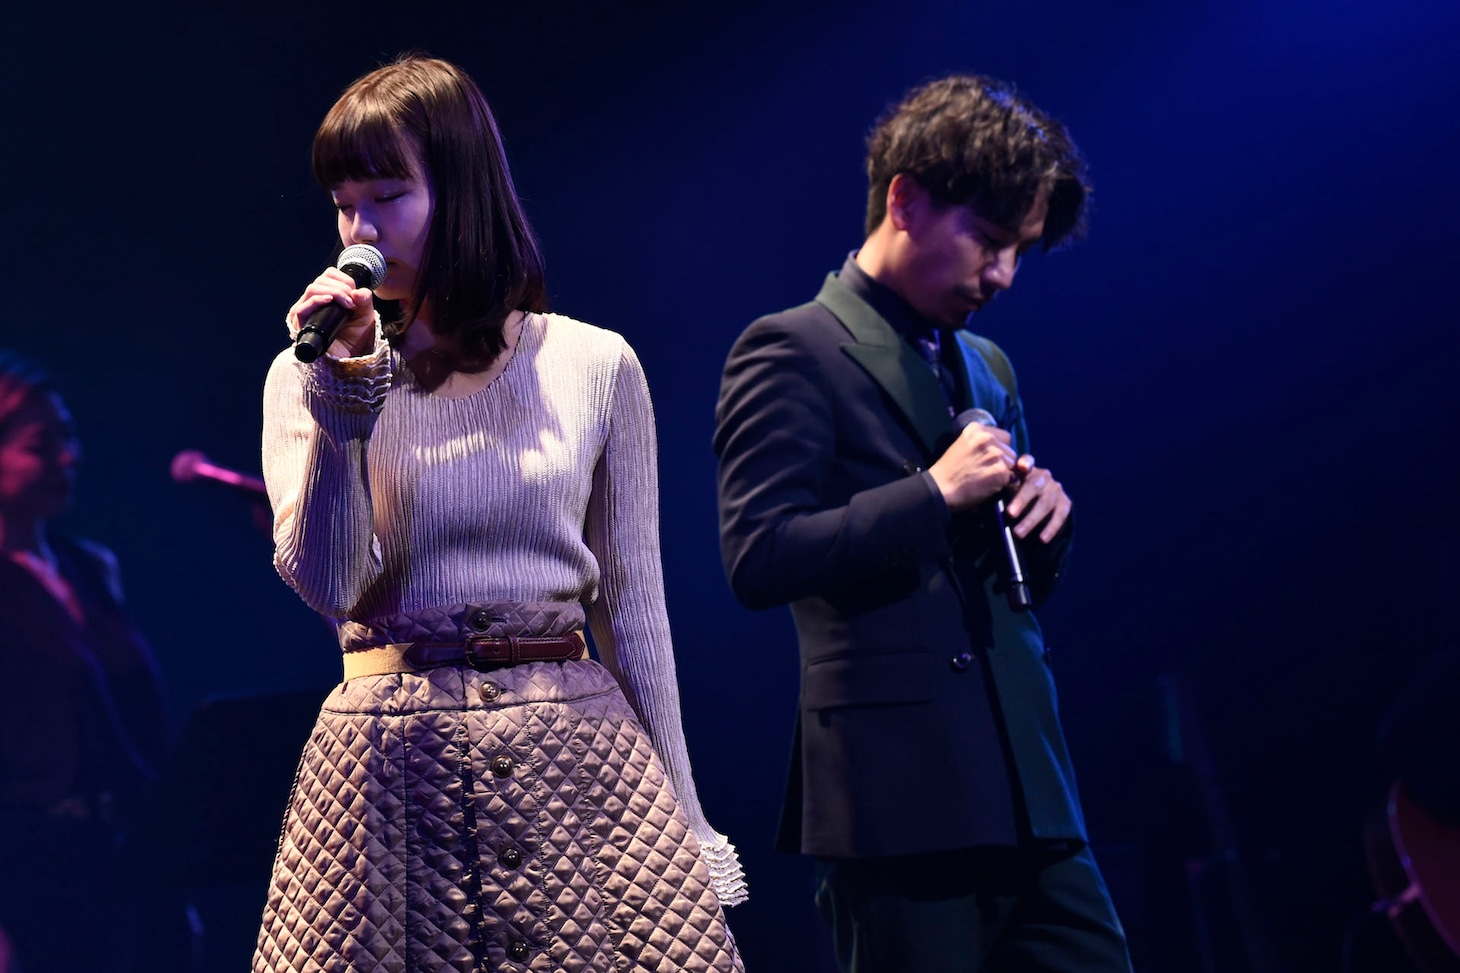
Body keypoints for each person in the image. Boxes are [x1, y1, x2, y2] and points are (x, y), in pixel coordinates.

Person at [256, 55, 745, 972]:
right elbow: (333, 584)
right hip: (390, 775)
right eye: (343, 202)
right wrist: (345, 400)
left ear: (463, 189)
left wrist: (686, 822)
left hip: (578, 763)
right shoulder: (306, 374)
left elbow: (634, 612)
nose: (359, 230)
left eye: (389, 195)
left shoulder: (594, 365)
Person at [713, 75, 1131, 971]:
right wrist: (934, 494)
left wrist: (1044, 526)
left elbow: (1000, 583)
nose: (1003, 275)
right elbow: (759, 554)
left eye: (1019, 251)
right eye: (987, 239)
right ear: (905, 199)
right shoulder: (792, 347)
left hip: (1031, 789)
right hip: (898, 801)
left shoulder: (988, 366)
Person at [0, 352, 169, 972]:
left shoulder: (90, 567)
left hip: (121, 864)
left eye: (68, 436)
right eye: (42, 445)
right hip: (29, 873)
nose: (69, 457)